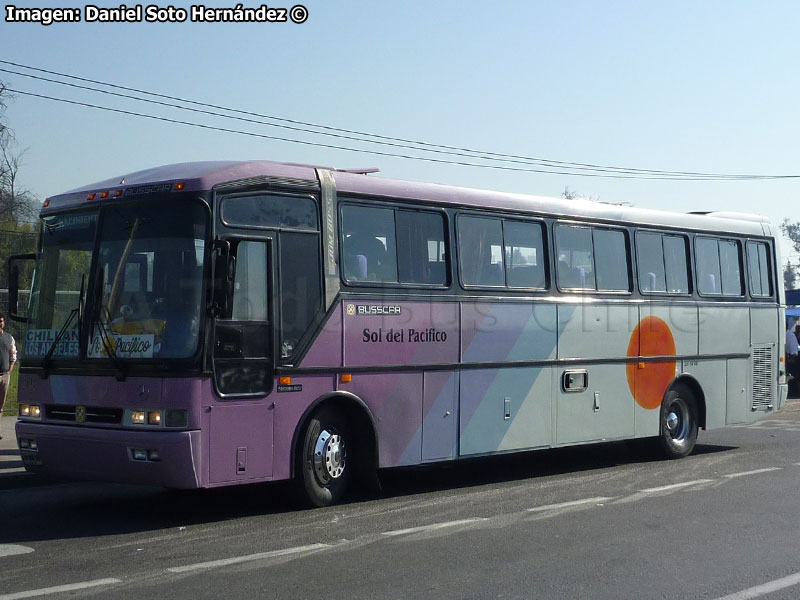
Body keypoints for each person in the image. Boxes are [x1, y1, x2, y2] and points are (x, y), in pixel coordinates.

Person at [0, 313, 18, 438]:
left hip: (4, 374)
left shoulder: (9, 338)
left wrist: (10, 370)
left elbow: (13, 355)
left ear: (4, 323)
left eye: (1, 321)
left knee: (0, 404)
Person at [787, 318, 799, 397]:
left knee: (792, 375)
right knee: (795, 376)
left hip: (789, 357)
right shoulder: (791, 335)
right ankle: (795, 392)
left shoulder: (787, 333)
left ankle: (792, 391)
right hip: (794, 358)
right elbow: (795, 350)